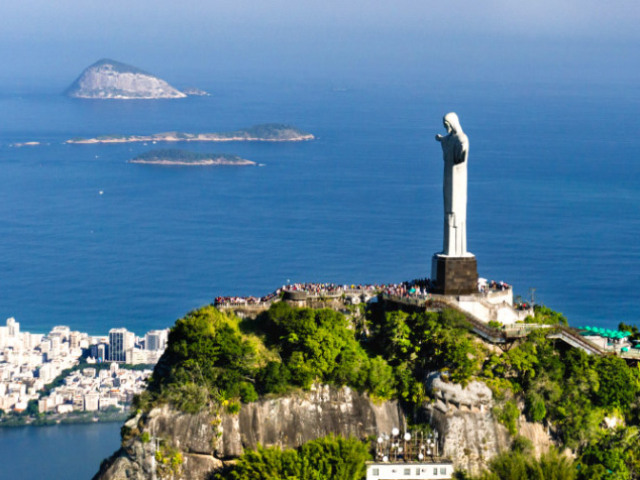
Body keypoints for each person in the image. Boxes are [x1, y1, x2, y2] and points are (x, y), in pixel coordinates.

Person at [435, 112, 469, 256]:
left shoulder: (462, 139)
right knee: (448, 210)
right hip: (448, 178)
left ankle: (457, 250)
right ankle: (449, 249)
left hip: (458, 181)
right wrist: (441, 139)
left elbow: (460, 157)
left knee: (456, 212)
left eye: (447, 125)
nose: (446, 128)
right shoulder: (449, 139)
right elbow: (446, 141)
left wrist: (463, 149)